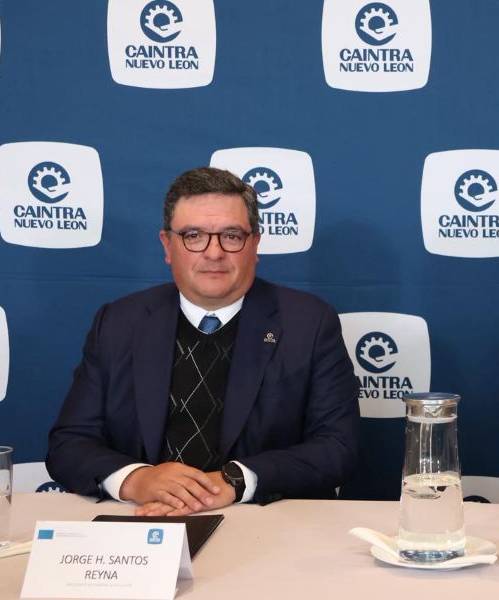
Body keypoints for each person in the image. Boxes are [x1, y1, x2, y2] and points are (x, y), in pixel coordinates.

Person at [47, 167, 360, 516]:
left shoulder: (309, 323)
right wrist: (138, 480)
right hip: (144, 520)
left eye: (231, 235)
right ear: (167, 245)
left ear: (255, 244)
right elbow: (69, 444)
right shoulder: (118, 322)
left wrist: (234, 481)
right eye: (194, 236)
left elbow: (337, 447)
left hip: (263, 522)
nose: (214, 253)